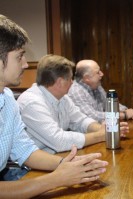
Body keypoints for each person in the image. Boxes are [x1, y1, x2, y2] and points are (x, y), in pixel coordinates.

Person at [0, 14, 108, 198]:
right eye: (19, 57)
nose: (26, 64)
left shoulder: (8, 98)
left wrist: (65, 165)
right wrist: (56, 179)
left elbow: (25, 151)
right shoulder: (30, 100)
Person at [17, 55, 129, 154]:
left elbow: (81, 120)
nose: (72, 82)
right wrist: (102, 135)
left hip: (59, 157)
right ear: (60, 82)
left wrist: (105, 129)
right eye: (71, 78)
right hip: (30, 170)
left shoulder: (63, 98)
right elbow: (58, 140)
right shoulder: (32, 102)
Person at [68, 59, 133, 122]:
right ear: (87, 78)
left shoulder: (97, 86)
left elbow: (109, 104)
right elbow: (91, 116)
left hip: (101, 128)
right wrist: (123, 115)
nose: (102, 74)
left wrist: (128, 111)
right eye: (98, 72)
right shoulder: (76, 91)